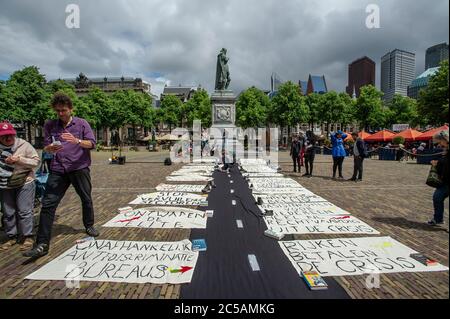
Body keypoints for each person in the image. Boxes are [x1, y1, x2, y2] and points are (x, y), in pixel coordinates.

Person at [23, 93, 99, 259]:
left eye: (63, 110)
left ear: (71, 109)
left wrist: (76, 141)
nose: (61, 114)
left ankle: (89, 225)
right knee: (48, 205)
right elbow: (46, 145)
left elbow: (92, 144)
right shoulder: (50, 125)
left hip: (79, 168)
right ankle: (42, 244)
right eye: (57, 111)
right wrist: (49, 148)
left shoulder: (82, 124)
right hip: (58, 168)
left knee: (86, 198)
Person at [0, 122, 40, 251]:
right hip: (4, 184)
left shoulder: (24, 145)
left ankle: (27, 236)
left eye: (10, 135)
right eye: (4, 136)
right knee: (8, 212)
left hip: (25, 181)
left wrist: (19, 160)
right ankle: (11, 236)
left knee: (24, 210)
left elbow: (36, 161)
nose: (8, 138)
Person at [427, 130, 449, 226]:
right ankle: (438, 219)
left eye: (440, 142)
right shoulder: (446, 150)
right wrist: (437, 163)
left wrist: (438, 162)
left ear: (445, 139)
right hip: (445, 180)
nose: (439, 145)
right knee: (437, 197)